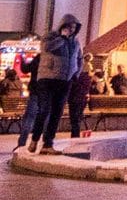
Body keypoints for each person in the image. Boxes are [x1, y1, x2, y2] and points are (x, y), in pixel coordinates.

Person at [27, 13, 82, 154]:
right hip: (47, 79)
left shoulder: (76, 42)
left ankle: (47, 144)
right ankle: (34, 139)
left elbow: (79, 58)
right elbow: (47, 48)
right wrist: (62, 38)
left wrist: (76, 73)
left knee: (57, 113)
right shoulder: (50, 37)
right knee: (44, 110)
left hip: (65, 81)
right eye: (69, 27)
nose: (71, 30)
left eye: (74, 27)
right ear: (63, 25)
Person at [12, 53, 40, 153]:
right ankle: (45, 144)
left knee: (29, 118)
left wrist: (22, 59)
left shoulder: (39, 57)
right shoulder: (57, 57)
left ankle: (22, 144)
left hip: (36, 92)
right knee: (45, 119)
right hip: (48, 93)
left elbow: (25, 69)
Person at [68, 59, 95, 138]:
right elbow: (87, 89)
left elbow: (71, 87)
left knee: (74, 117)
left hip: (73, 98)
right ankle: (75, 134)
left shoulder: (74, 76)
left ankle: (75, 134)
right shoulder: (87, 77)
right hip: (81, 99)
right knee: (77, 117)